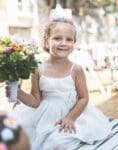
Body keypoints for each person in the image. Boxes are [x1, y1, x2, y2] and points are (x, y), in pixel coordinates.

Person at [6, 17, 112, 150]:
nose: (63, 43)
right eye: (57, 38)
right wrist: (18, 93)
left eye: (69, 39)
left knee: (57, 142)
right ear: (46, 42)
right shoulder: (38, 69)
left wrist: (70, 118)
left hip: (72, 114)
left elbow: (84, 98)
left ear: (74, 43)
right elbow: (35, 101)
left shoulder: (76, 69)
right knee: (20, 135)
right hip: (44, 115)